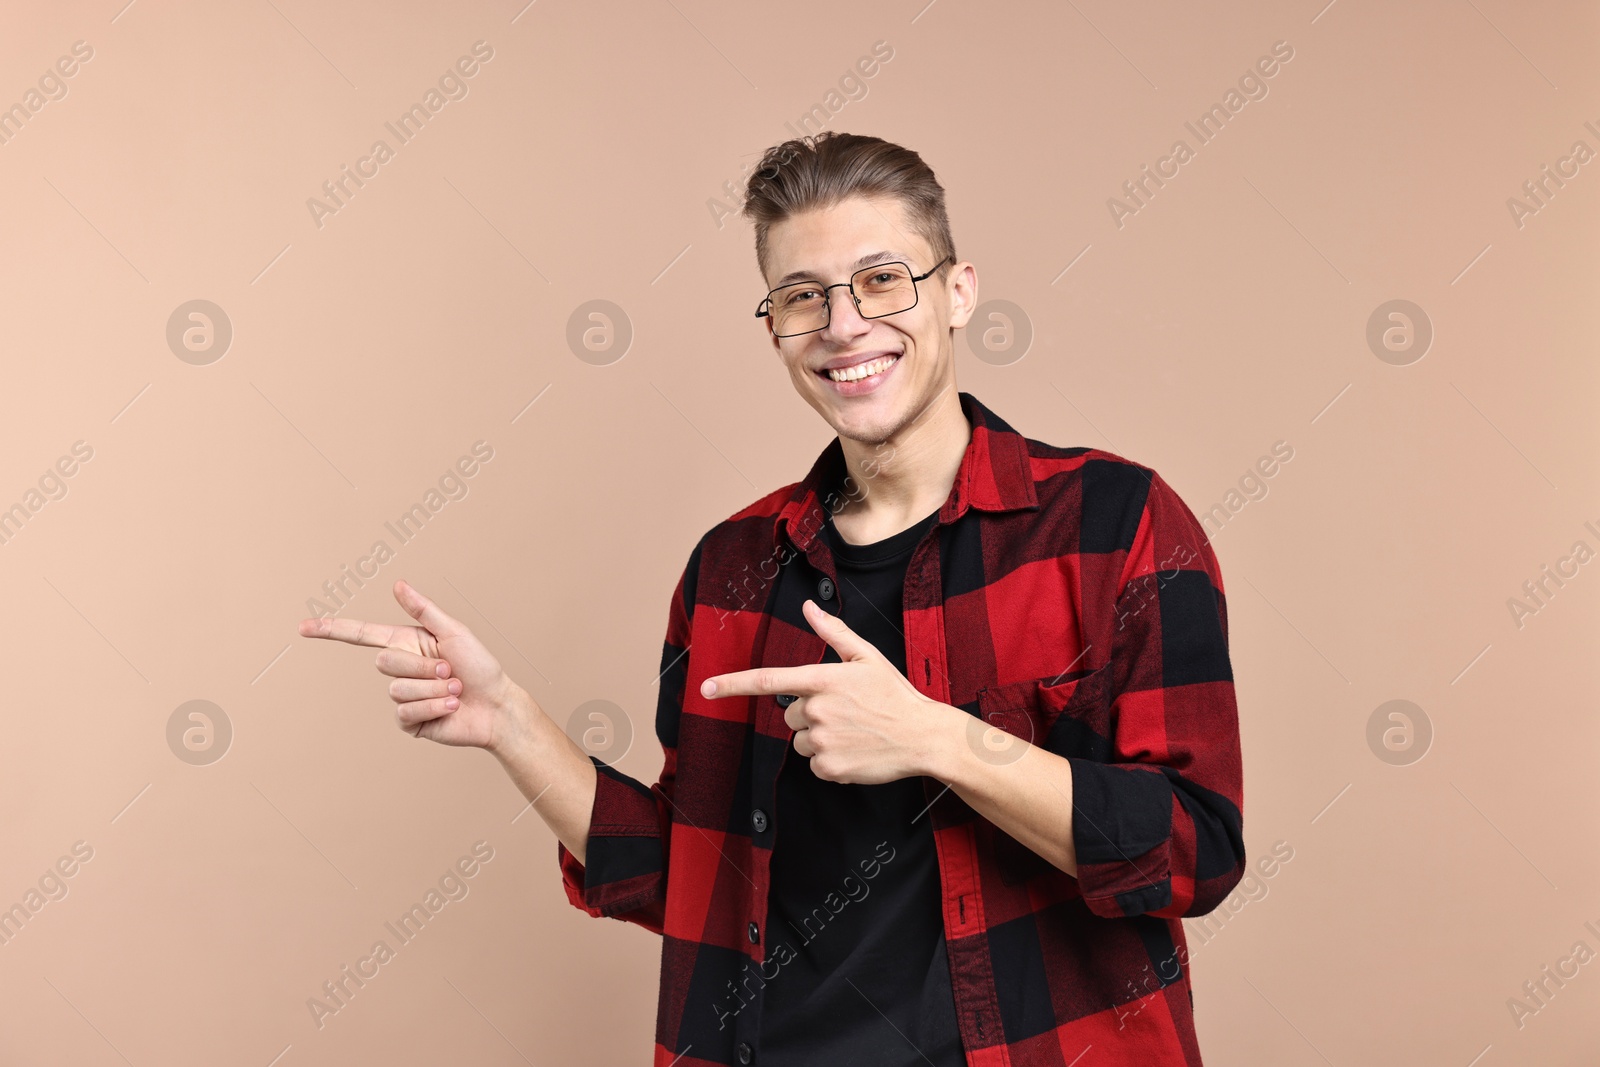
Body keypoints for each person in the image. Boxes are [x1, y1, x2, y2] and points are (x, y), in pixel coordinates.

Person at [300, 131, 1245, 1067]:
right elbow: (685, 876)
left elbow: (1196, 850)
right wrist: (510, 722)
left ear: (956, 293)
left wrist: (933, 738)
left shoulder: (1116, 526)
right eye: (803, 297)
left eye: (882, 280)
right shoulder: (730, 571)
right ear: (775, 327)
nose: (843, 325)